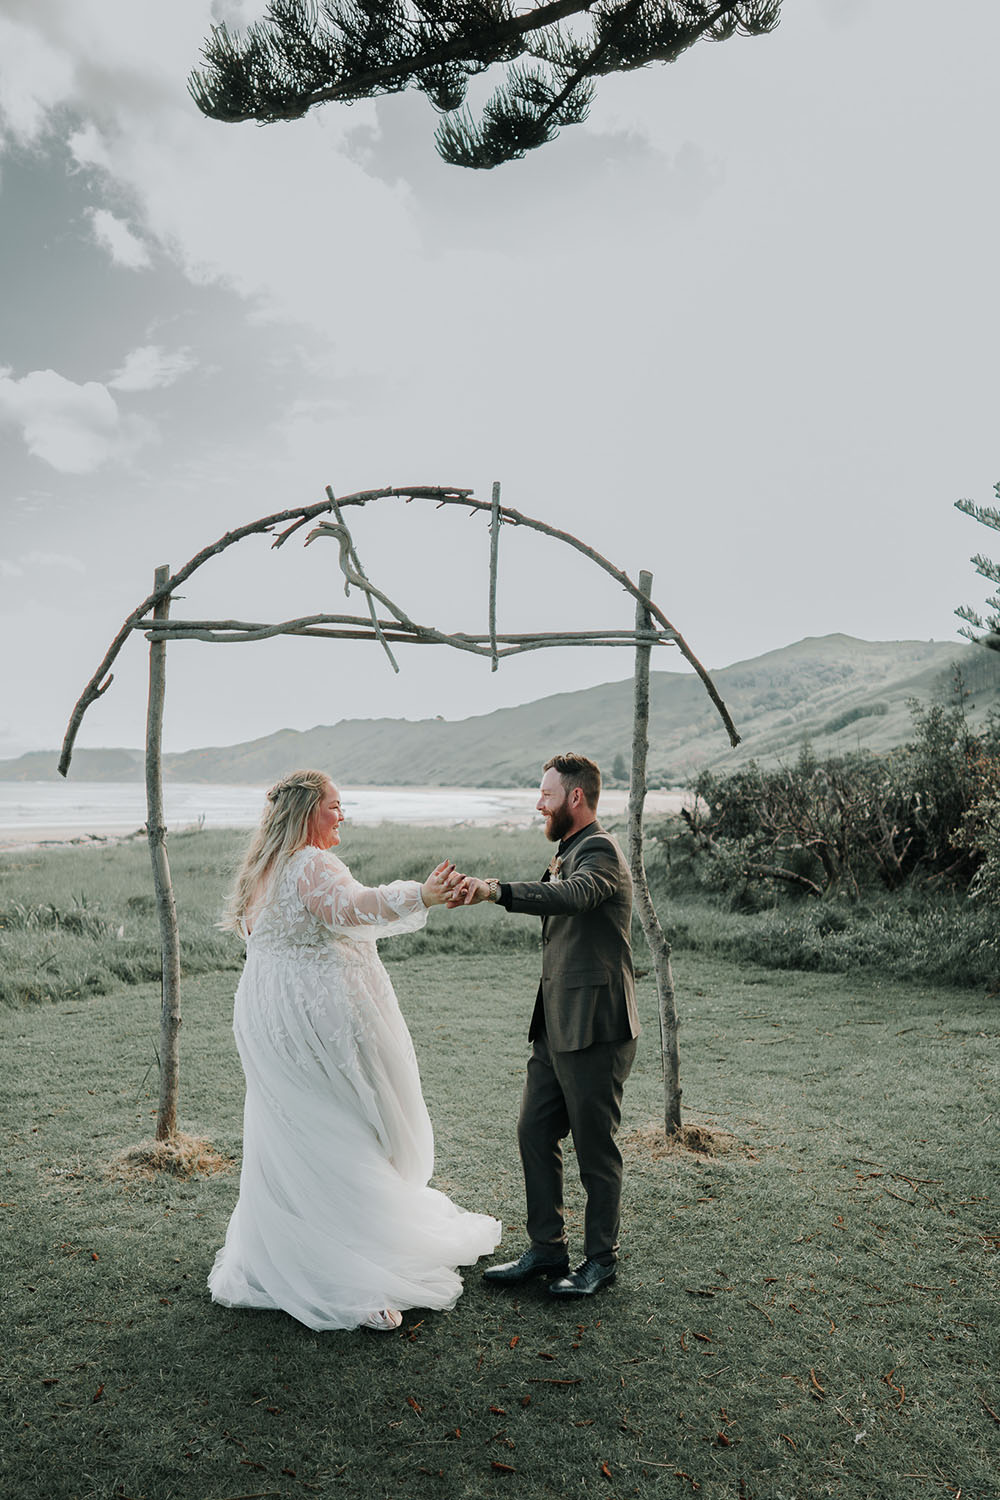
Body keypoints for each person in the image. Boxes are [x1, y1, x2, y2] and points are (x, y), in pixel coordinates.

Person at [209, 769, 501, 1332]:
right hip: (309, 1022)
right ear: (306, 813)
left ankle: (290, 1255)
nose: (343, 815)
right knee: (336, 1129)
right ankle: (355, 1273)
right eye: (336, 806)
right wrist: (422, 894)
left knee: (292, 1130)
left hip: (265, 1016)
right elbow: (353, 906)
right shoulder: (309, 863)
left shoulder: (259, 870)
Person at [450, 752, 638, 1298]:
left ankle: (600, 1261)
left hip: (596, 1026)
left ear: (574, 798)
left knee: (595, 1147)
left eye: (546, 795)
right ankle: (546, 1249)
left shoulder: (599, 850)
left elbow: (574, 897)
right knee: (534, 1129)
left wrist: (496, 889)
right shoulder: (568, 850)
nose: (539, 803)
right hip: (554, 1027)